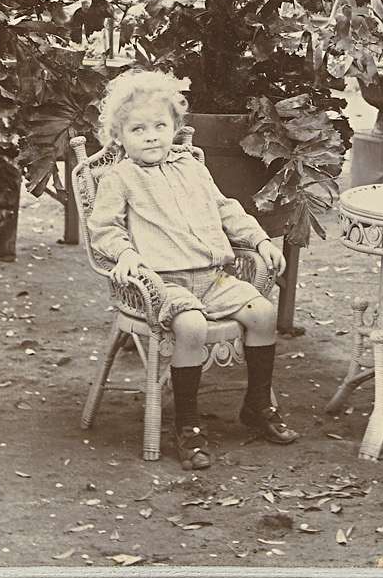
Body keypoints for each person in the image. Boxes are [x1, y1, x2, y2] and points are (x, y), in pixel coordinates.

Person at [85, 69, 294, 469]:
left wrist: (259, 240)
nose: (151, 136)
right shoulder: (120, 177)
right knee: (193, 326)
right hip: (163, 283)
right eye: (138, 129)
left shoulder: (192, 166)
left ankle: (257, 405)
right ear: (119, 136)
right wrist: (124, 254)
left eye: (160, 126)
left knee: (264, 314)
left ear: (175, 127)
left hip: (214, 278)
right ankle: (187, 425)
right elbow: (105, 228)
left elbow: (226, 209)